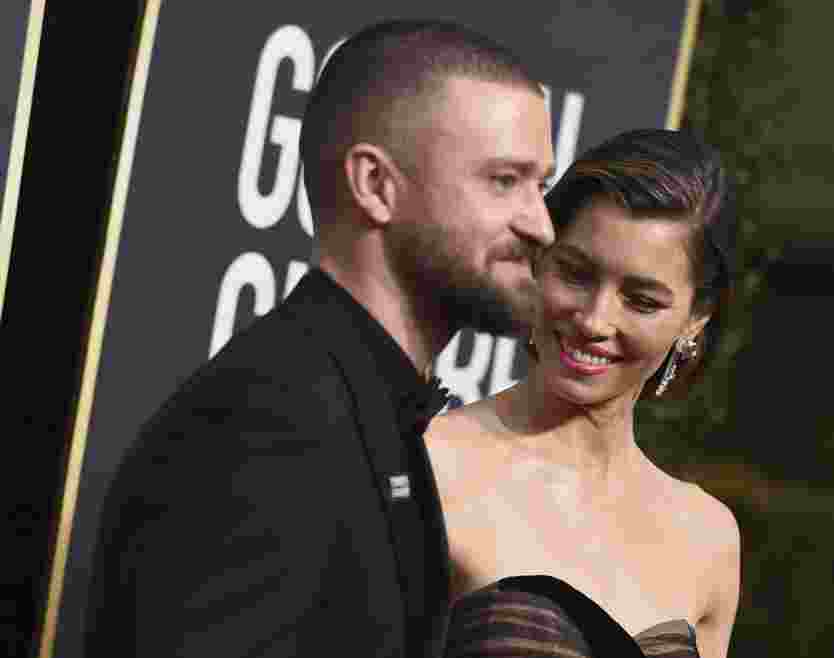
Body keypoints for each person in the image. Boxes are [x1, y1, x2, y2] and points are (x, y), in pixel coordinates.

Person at [85, 20, 555, 657]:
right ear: (375, 186)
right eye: (504, 181)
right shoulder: (270, 420)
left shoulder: (365, 405)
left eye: (540, 186)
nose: (541, 225)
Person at [425, 127, 741, 658]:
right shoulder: (429, 466)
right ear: (539, 260)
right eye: (575, 274)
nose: (594, 320)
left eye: (641, 301)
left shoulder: (709, 538)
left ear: (696, 319)